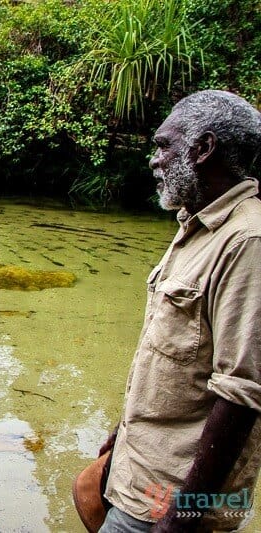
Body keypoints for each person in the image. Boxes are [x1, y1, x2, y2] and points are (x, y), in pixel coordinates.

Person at [97, 90, 261, 533]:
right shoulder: (197, 225)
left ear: (204, 149)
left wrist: (181, 519)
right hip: (139, 476)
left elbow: (242, 394)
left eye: (163, 145)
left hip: (170, 503)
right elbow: (169, 353)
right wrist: (120, 435)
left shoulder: (248, 242)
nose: (154, 160)